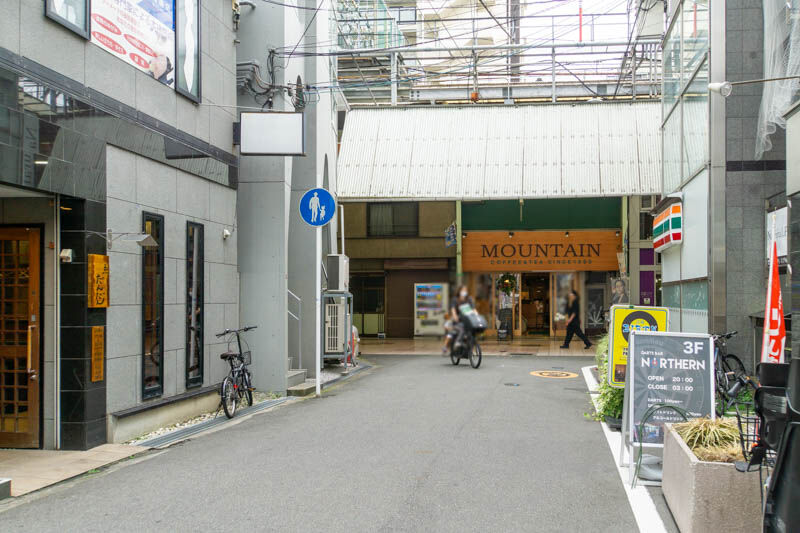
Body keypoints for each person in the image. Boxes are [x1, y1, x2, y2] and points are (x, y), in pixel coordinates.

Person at [442, 285, 473, 355]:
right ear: (459, 291)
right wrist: (455, 316)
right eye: (463, 290)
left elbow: (473, 309)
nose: (464, 292)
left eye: (465, 290)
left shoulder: (468, 299)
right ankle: (450, 345)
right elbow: (453, 309)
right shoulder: (455, 299)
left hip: (466, 319)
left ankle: (466, 347)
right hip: (457, 320)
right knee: (453, 333)